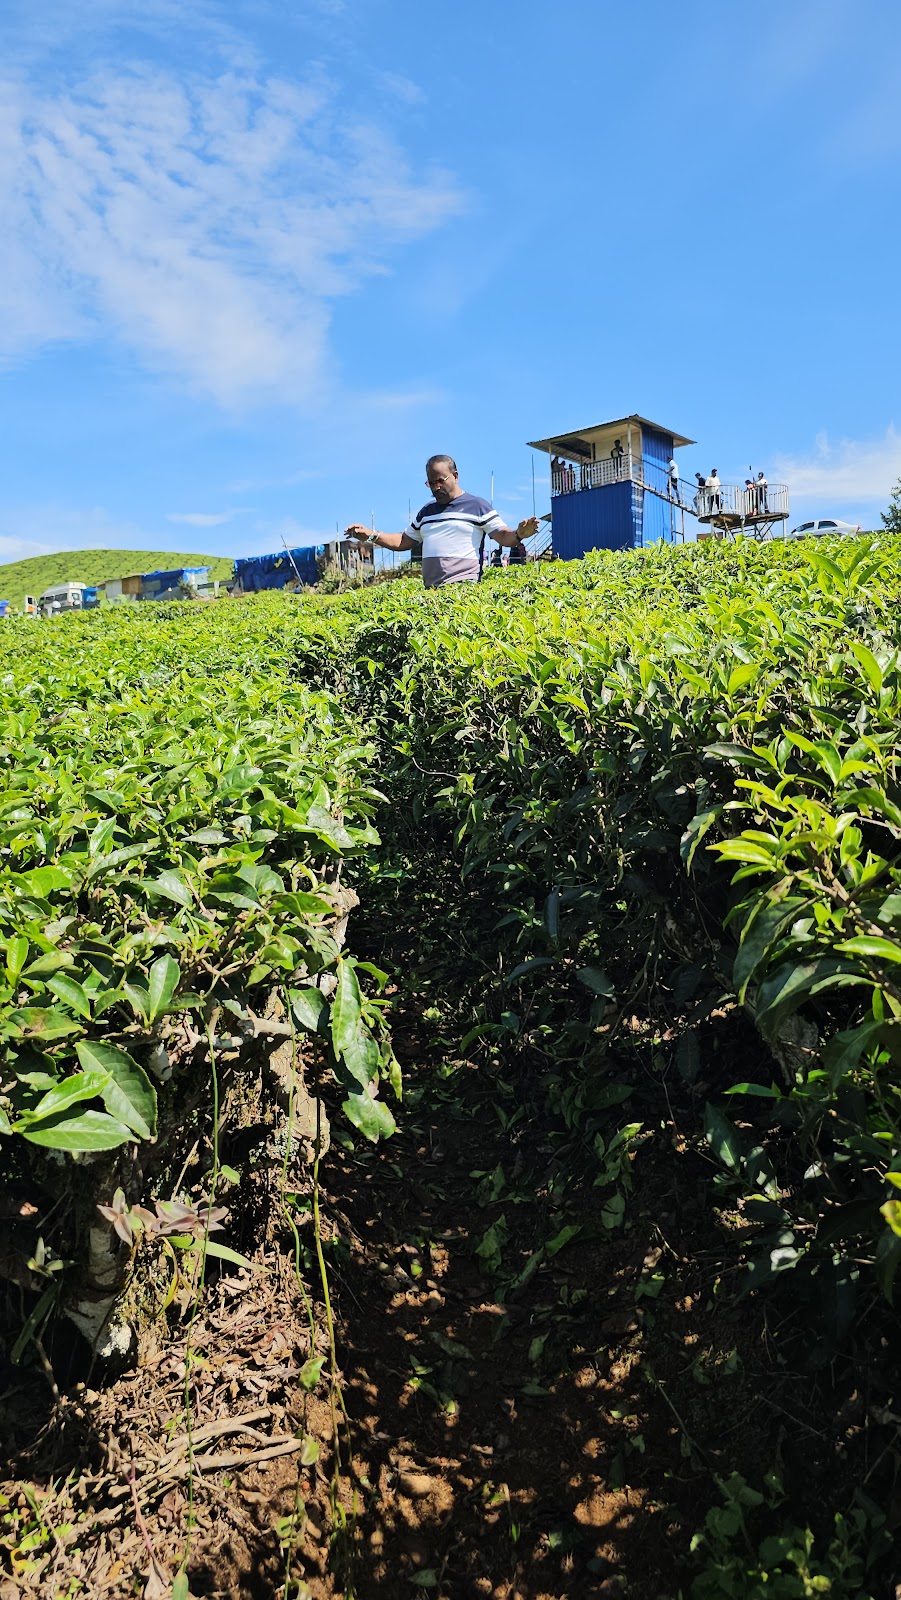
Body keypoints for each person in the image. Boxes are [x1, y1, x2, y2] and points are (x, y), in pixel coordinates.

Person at [345, 455, 538, 589]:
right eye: (431, 482)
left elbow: (503, 536)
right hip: (432, 592)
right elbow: (403, 541)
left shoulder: (477, 506)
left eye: (440, 480)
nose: (436, 487)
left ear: (455, 476)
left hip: (464, 589)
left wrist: (519, 534)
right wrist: (371, 535)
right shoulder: (427, 512)